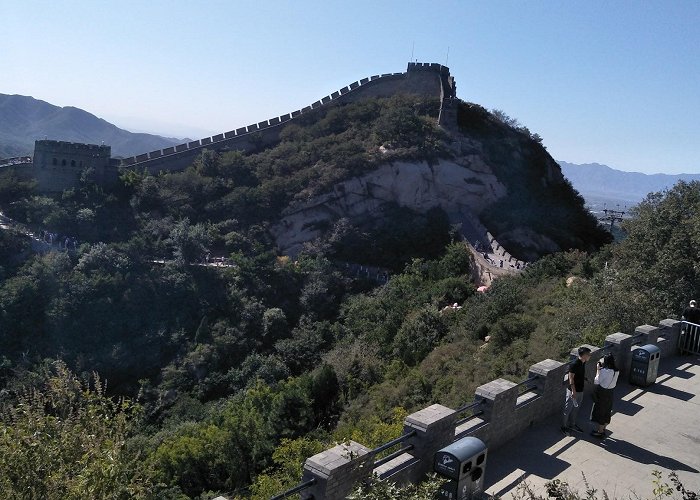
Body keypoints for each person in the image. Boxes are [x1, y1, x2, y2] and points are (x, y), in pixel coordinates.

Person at [562, 346, 591, 434]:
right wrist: (573, 391)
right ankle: (563, 426)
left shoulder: (583, 362)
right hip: (573, 390)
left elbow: (579, 375)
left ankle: (572, 424)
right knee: (568, 409)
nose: (590, 356)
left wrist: (585, 379)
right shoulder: (574, 364)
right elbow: (571, 378)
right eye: (588, 354)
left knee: (576, 408)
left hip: (580, 389)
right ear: (584, 355)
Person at [590, 354, 619, 438]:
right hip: (610, 392)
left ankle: (600, 431)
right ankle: (603, 428)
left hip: (602, 392)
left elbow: (596, 381)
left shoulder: (605, 371)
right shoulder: (616, 371)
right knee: (607, 410)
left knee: (600, 411)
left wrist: (598, 370)